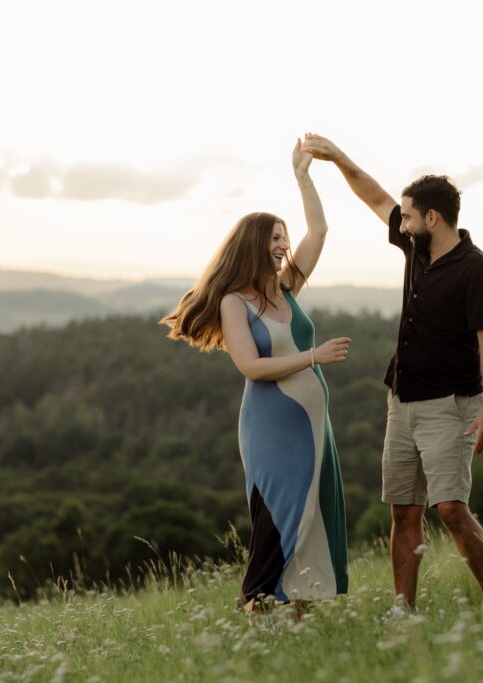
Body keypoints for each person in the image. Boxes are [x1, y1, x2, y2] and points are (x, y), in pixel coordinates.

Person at [302, 134, 483, 614]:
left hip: (451, 405)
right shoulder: (416, 249)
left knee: (451, 508)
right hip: (402, 401)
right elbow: (374, 195)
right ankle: (403, 609)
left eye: (409, 215)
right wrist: (337, 159)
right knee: (403, 510)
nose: (402, 221)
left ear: (432, 218)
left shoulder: (479, 271)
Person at [161, 139, 350, 615]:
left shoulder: (287, 288)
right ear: (253, 245)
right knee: (278, 521)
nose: (284, 246)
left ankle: (299, 621)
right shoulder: (234, 303)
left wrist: (303, 176)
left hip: (312, 427)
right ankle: (256, 612)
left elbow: (321, 229)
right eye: (274, 238)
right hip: (271, 430)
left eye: (285, 237)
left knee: (311, 520)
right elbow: (251, 367)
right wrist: (314, 357)